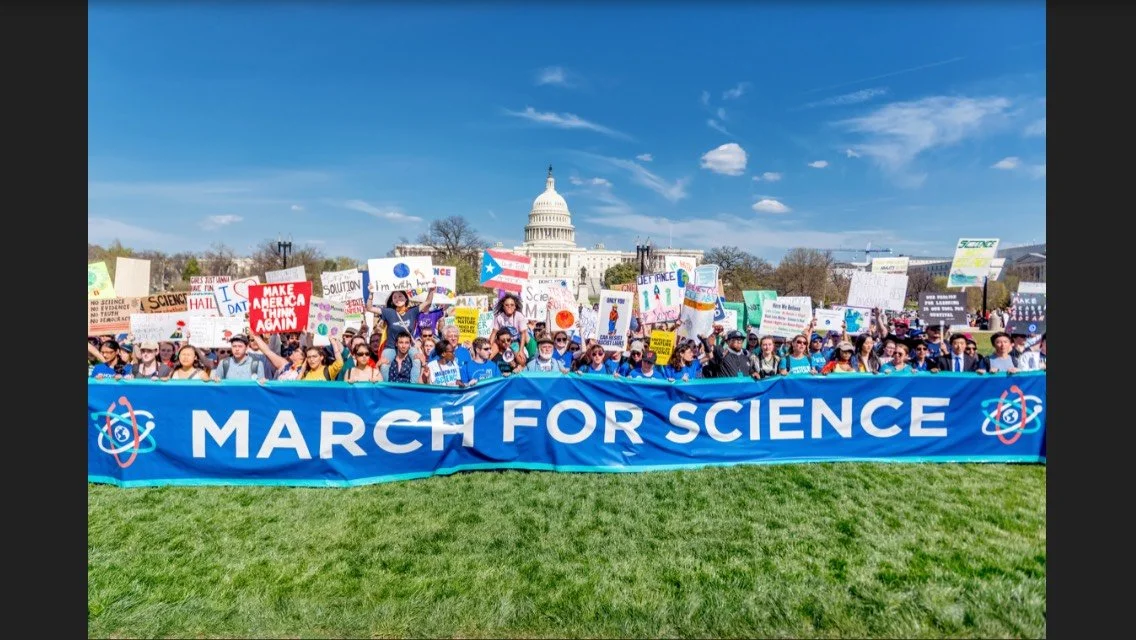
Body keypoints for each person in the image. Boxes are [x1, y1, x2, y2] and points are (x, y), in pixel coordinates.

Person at [367, 285, 435, 383]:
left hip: (409, 346)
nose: (398, 299)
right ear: (392, 300)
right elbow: (369, 308)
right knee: (384, 365)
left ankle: (413, 387)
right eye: (395, 297)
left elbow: (428, 302)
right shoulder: (388, 312)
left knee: (417, 360)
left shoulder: (412, 311)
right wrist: (371, 293)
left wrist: (431, 290)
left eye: (400, 296)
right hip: (391, 347)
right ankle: (386, 388)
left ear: (405, 298)